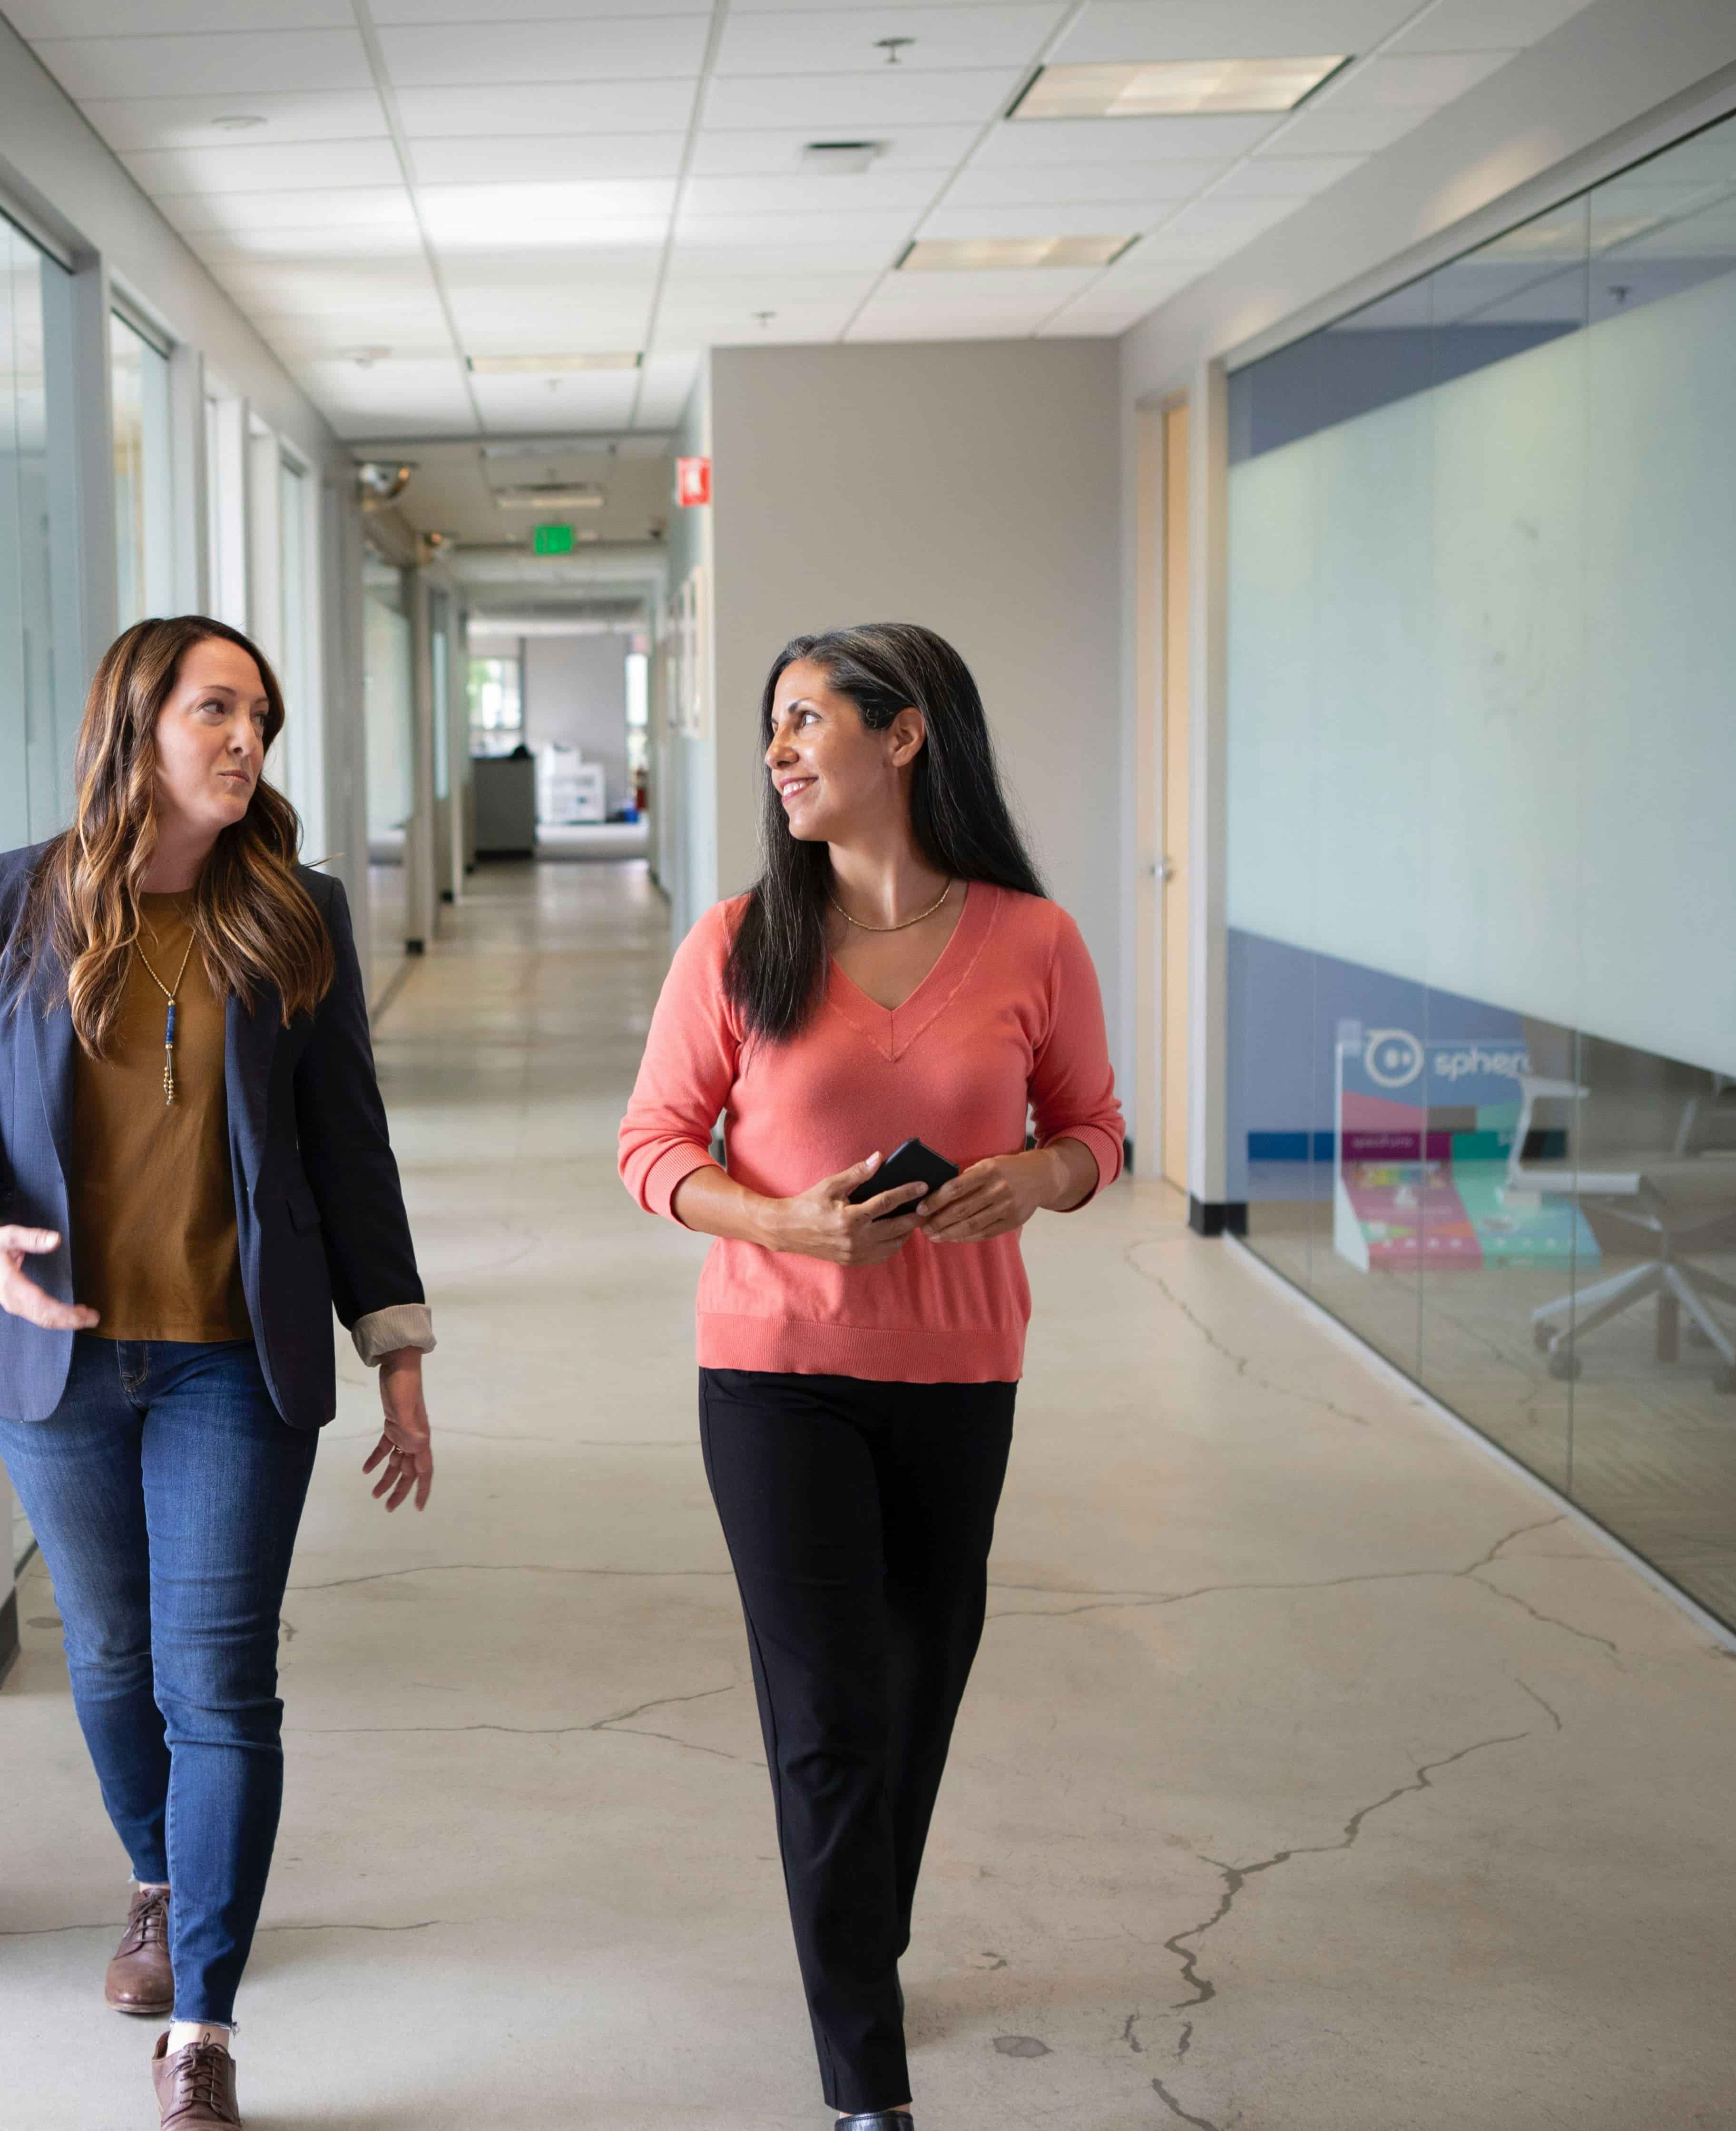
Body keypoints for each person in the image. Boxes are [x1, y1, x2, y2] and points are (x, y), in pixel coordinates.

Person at [0, 614, 437, 2131]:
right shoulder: (10, 903)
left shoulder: (294, 915)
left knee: (222, 1685)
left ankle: (202, 2022)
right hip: (57, 1358)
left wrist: (395, 1351)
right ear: (137, 719)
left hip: (227, 1366)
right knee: (113, 1660)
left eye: (258, 712)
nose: (243, 737)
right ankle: (155, 1872)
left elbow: (350, 1155)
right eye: (214, 707)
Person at [616, 623, 1123, 2131]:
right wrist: (777, 1218)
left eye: (804, 722)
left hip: (962, 1373)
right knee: (829, 1712)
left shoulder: (1033, 940)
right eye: (772, 726)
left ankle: (859, 1936)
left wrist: (1034, 1174)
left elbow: (1100, 1133)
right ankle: (866, 2080)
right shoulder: (733, 941)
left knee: (918, 1687)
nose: (776, 753)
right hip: (776, 1374)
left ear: (904, 740)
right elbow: (651, 1148)